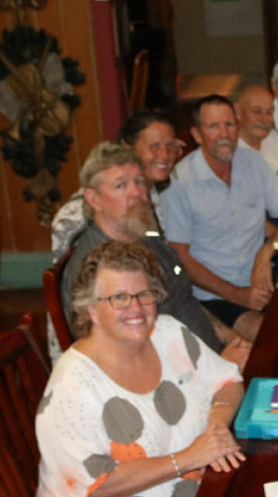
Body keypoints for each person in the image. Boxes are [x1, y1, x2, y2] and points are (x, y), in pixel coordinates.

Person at [37, 240, 246, 497]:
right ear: (90, 310)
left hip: (185, 490)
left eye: (144, 293)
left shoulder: (168, 333)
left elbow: (227, 379)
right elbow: (96, 483)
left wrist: (214, 428)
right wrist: (188, 457)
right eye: (118, 297)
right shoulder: (72, 387)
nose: (136, 307)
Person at [57, 142, 251, 368]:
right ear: (93, 199)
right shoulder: (97, 272)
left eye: (139, 182)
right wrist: (219, 369)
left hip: (211, 360)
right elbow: (126, 360)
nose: (137, 193)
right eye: (121, 186)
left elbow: (184, 298)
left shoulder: (146, 238)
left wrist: (228, 336)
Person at [160, 94, 278, 342]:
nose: (224, 134)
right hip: (215, 295)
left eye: (229, 125)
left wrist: (268, 251)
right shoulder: (179, 182)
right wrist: (236, 294)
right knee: (271, 340)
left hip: (263, 279)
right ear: (196, 135)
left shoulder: (254, 163)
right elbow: (180, 258)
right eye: (213, 126)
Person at [51, 108, 181, 262]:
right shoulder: (83, 210)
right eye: (154, 147)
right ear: (128, 149)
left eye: (170, 146)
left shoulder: (149, 188)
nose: (165, 155)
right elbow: (70, 275)